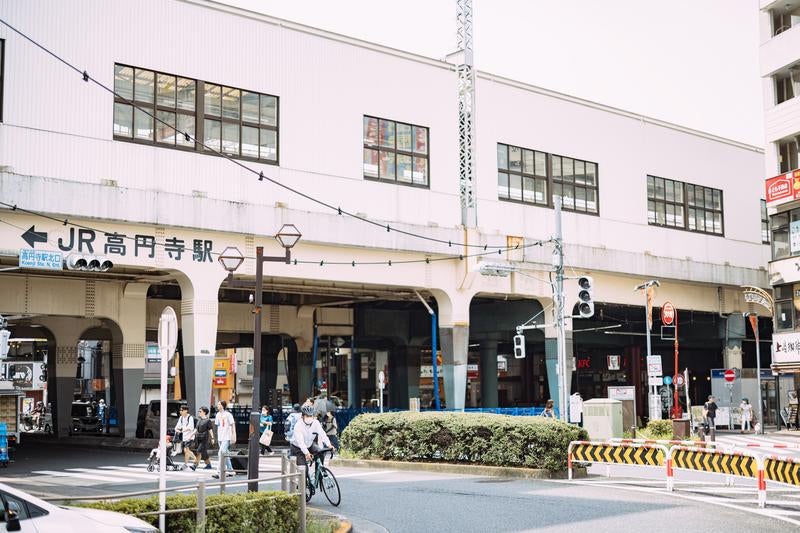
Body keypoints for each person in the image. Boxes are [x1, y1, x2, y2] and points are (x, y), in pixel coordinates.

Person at [290, 405, 333, 479]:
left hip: (309, 444)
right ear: (302, 416)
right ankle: (302, 486)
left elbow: (322, 434)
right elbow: (301, 442)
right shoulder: (298, 425)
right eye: (307, 416)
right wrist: (307, 453)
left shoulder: (316, 422)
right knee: (304, 470)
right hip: (297, 448)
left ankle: (319, 472)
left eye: (311, 415)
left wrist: (329, 445)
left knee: (321, 452)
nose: (309, 418)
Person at [213, 400, 237, 478]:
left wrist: (234, 435)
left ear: (223, 406)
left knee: (221, 453)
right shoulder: (217, 415)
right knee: (225, 454)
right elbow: (217, 426)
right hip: (220, 437)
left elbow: (233, 425)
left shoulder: (228, 415)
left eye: (219, 404)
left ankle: (218, 472)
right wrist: (216, 437)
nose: (218, 405)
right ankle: (231, 471)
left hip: (227, 437)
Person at [192, 407, 214, 471]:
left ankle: (195, 465)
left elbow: (210, 430)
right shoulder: (199, 420)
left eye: (200, 411)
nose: (199, 412)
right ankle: (208, 465)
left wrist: (212, 438)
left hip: (204, 439)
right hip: (198, 438)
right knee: (204, 453)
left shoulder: (208, 421)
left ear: (204, 412)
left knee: (198, 451)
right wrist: (191, 435)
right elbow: (196, 429)